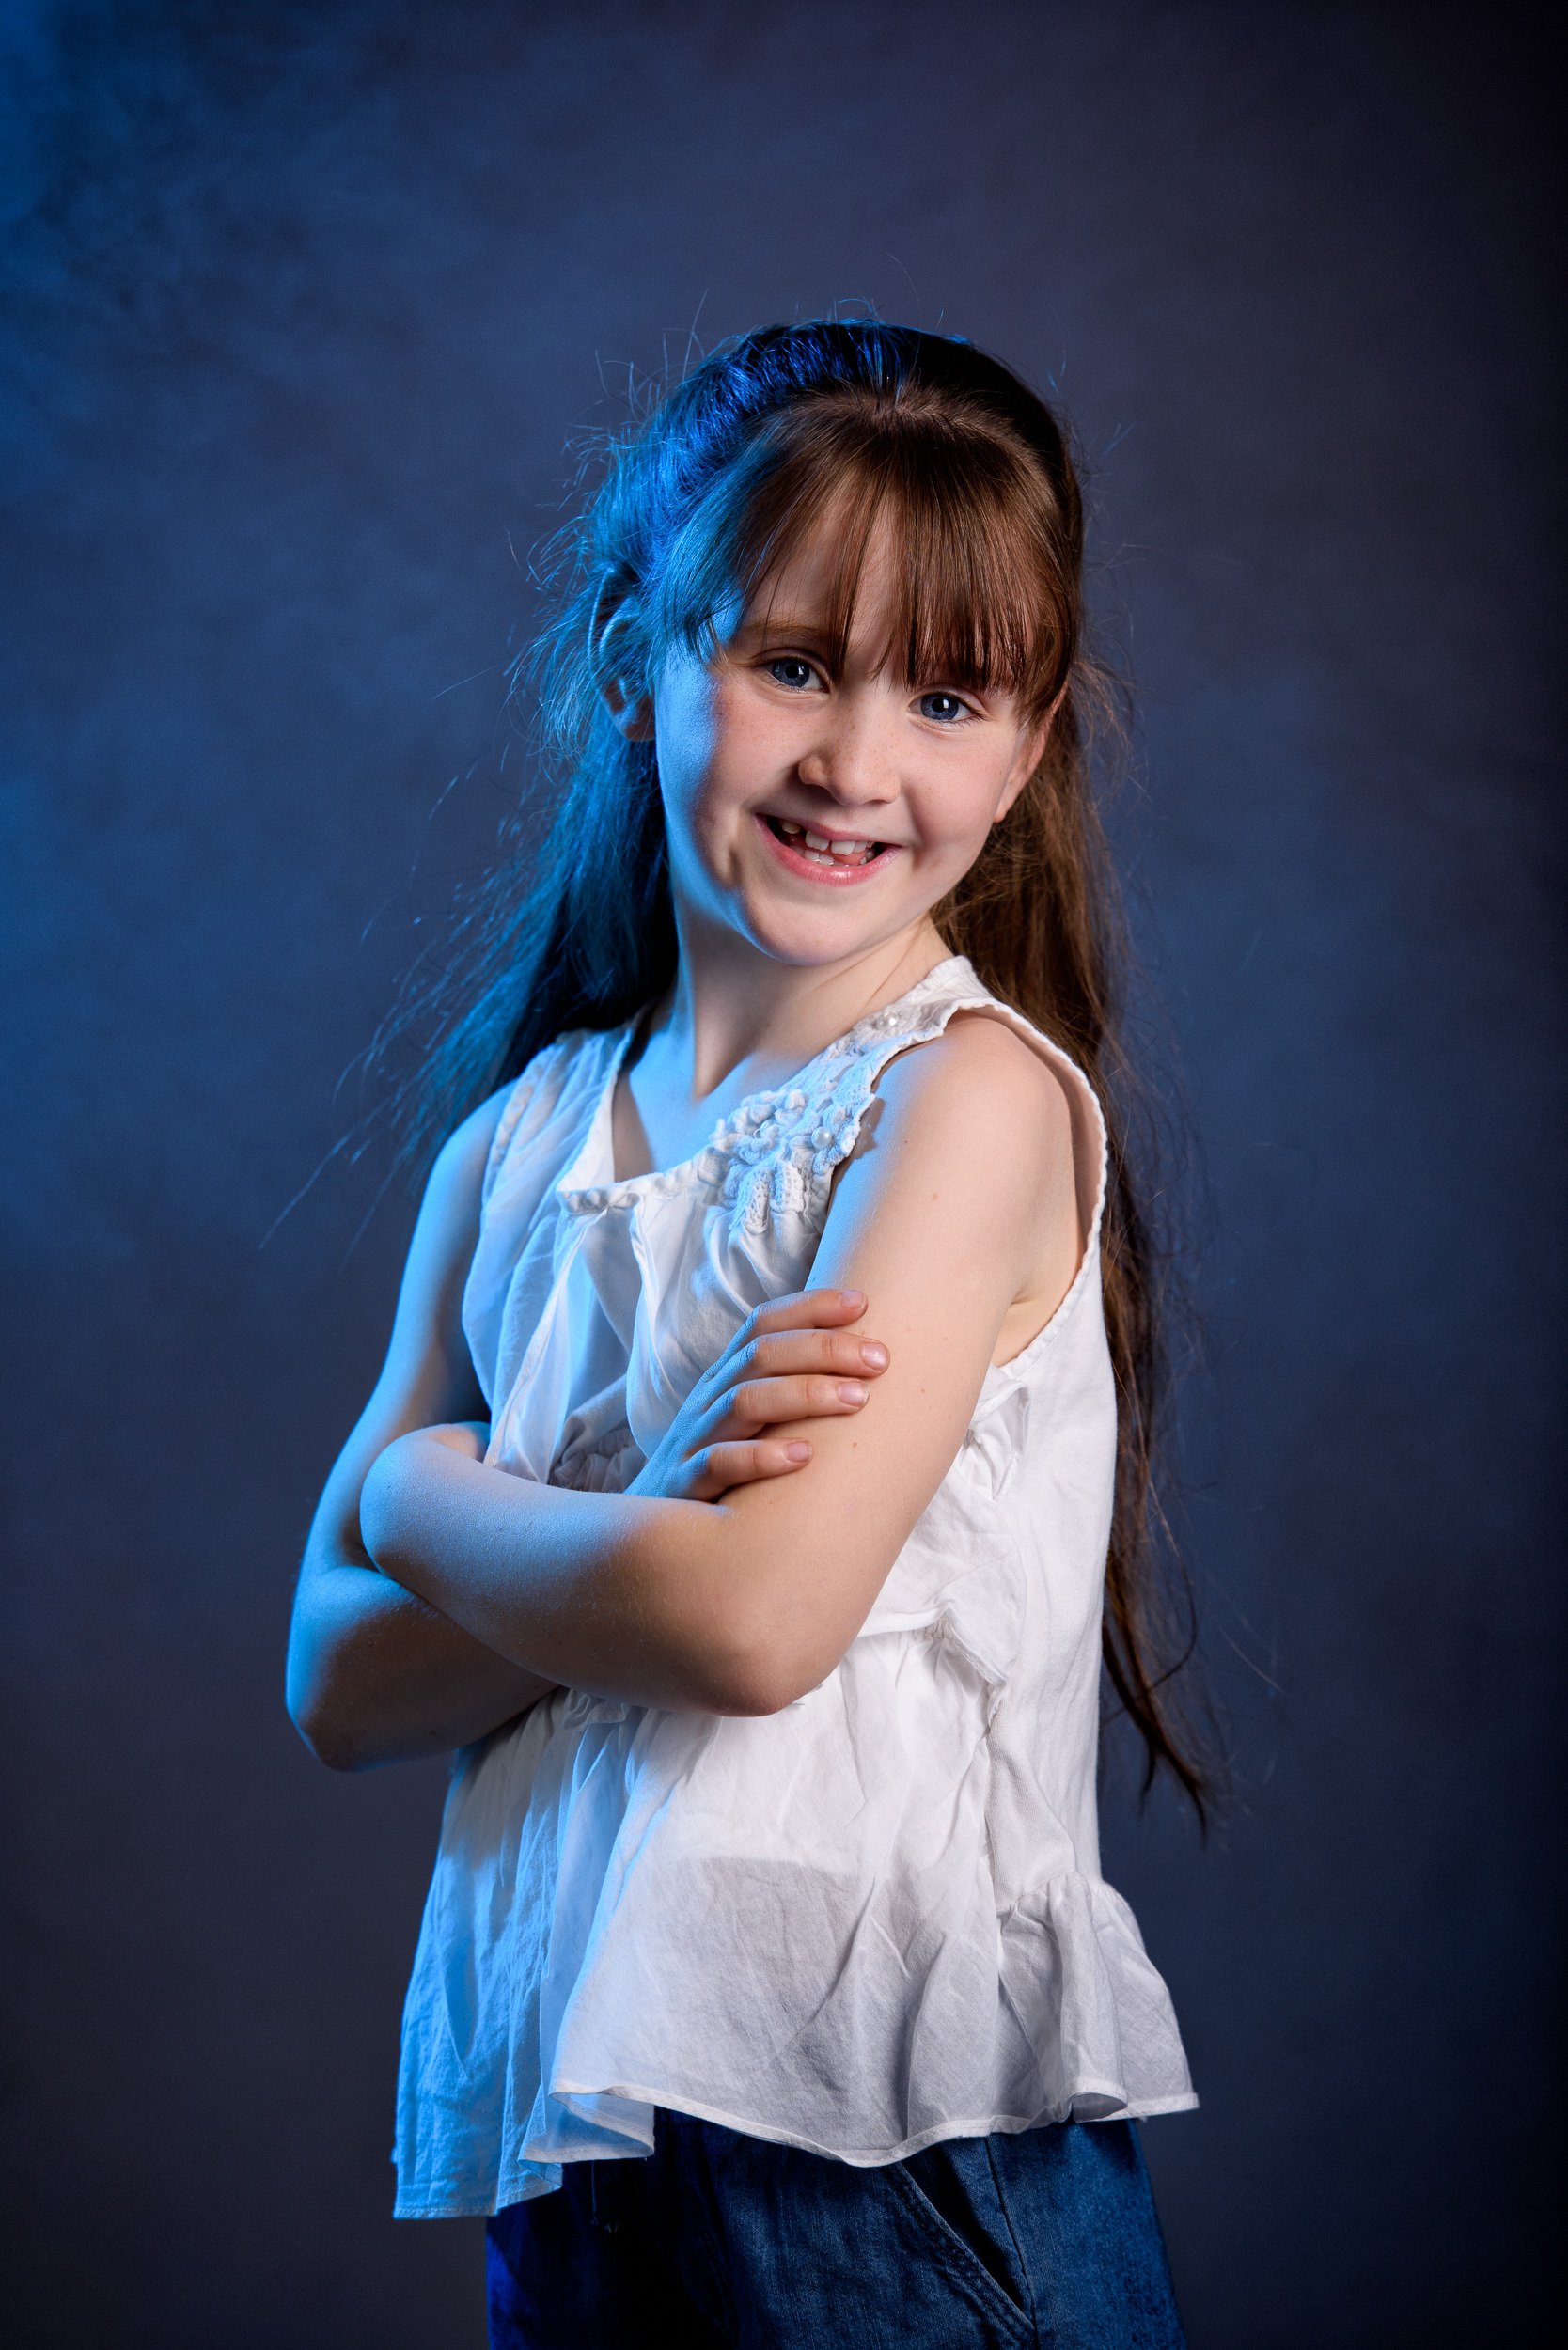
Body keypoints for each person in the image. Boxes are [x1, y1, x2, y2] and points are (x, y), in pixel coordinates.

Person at [286, 320, 1204, 2348]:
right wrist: (651, 1511)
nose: (856, 765)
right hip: (596, 2151)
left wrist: (430, 1487)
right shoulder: (513, 1152)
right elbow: (338, 1679)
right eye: (791, 662)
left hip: (900, 2167)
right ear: (634, 666)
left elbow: (755, 1624)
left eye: (946, 694)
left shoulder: (957, 1104)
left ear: (1028, 747)